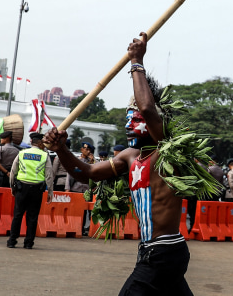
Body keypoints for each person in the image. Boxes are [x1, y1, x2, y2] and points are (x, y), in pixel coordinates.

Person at [46, 31, 196, 295]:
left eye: (134, 117)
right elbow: (88, 173)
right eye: (127, 117)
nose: (129, 124)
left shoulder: (166, 147)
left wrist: (136, 62)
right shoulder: (129, 157)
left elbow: (148, 108)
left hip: (162, 251)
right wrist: (62, 149)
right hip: (156, 252)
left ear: (153, 123)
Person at [6, 132, 54, 249]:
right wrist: (50, 192)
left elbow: (13, 172)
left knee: (17, 215)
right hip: (37, 190)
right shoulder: (44, 156)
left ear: (31, 142)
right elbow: (49, 175)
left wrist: (12, 187)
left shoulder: (22, 153)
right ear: (40, 143)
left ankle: (12, 241)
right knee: (32, 217)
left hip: (22, 188)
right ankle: (28, 243)